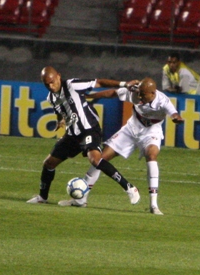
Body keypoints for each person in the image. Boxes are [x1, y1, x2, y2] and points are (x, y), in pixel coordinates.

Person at [63, 77, 184, 215]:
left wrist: (176, 118)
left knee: (151, 155)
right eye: (139, 93)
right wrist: (90, 96)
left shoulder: (163, 101)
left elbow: (174, 113)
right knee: (101, 158)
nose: (139, 97)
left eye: (143, 95)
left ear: (152, 93)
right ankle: (80, 200)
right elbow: (113, 93)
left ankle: (154, 205)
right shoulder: (134, 92)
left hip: (151, 132)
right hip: (130, 129)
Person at [26, 66, 140, 206]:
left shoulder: (72, 85)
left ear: (58, 76)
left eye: (52, 82)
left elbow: (99, 82)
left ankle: (130, 188)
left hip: (89, 129)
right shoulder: (51, 97)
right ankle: (42, 197)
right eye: (46, 84)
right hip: (72, 134)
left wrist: (124, 84)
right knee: (49, 164)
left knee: (95, 160)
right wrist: (59, 120)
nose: (50, 86)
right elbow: (59, 109)